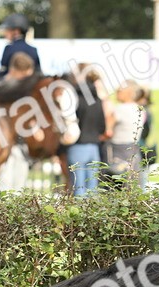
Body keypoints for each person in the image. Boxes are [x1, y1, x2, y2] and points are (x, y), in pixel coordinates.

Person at [65, 64, 107, 196]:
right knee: (93, 189)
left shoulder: (75, 99)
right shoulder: (97, 99)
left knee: (79, 188)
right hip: (94, 146)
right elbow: (102, 125)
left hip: (78, 145)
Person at [102, 80, 145, 188]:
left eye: (119, 90)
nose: (117, 92)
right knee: (132, 186)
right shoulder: (139, 109)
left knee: (112, 187)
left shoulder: (119, 109)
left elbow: (108, 131)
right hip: (133, 150)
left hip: (116, 152)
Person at [0, 13, 39, 83]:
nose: (5, 33)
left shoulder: (9, 48)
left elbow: (2, 75)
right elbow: (38, 73)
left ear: (16, 31)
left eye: (7, 30)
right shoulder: (33, 50)